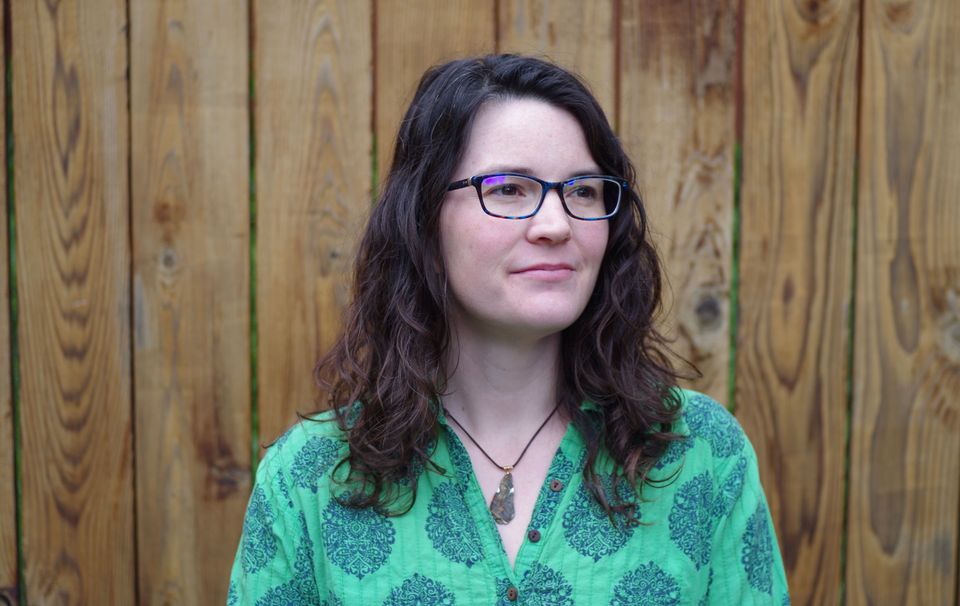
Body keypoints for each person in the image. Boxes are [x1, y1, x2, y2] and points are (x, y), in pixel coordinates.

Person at [228, 54, 790, 605]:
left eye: (583, 191)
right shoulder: (311, 476)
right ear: (422, 218)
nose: (556, 224)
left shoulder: (700, 454)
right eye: (508, 188)